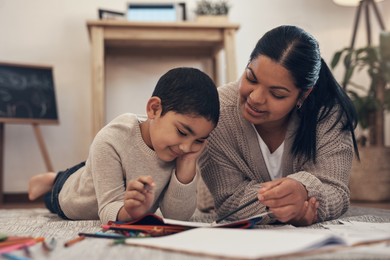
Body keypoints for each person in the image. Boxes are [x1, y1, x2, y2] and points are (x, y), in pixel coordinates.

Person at [199, 25, 359, 226]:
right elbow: (230, 202)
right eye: (251, 78)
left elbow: (337, 191)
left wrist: (303, 191)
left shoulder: (329, 114)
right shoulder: (218, 112)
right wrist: (291, 205)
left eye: (277, 94)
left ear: (304, 94)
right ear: (248, 63)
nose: (255, 98)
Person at [28, 67, 220, 224]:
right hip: (73, 195)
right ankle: (54, 180)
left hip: (103, 169)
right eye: (182, 132)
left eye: (199, 140)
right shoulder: (111, 139)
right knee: (65, 187)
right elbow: (107, 209)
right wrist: (129, 213)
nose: (186, 147)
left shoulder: (181, 150)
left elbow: (177, 217)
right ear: (154, 109)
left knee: (91, 168)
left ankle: (58, 176)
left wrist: (186, 166)